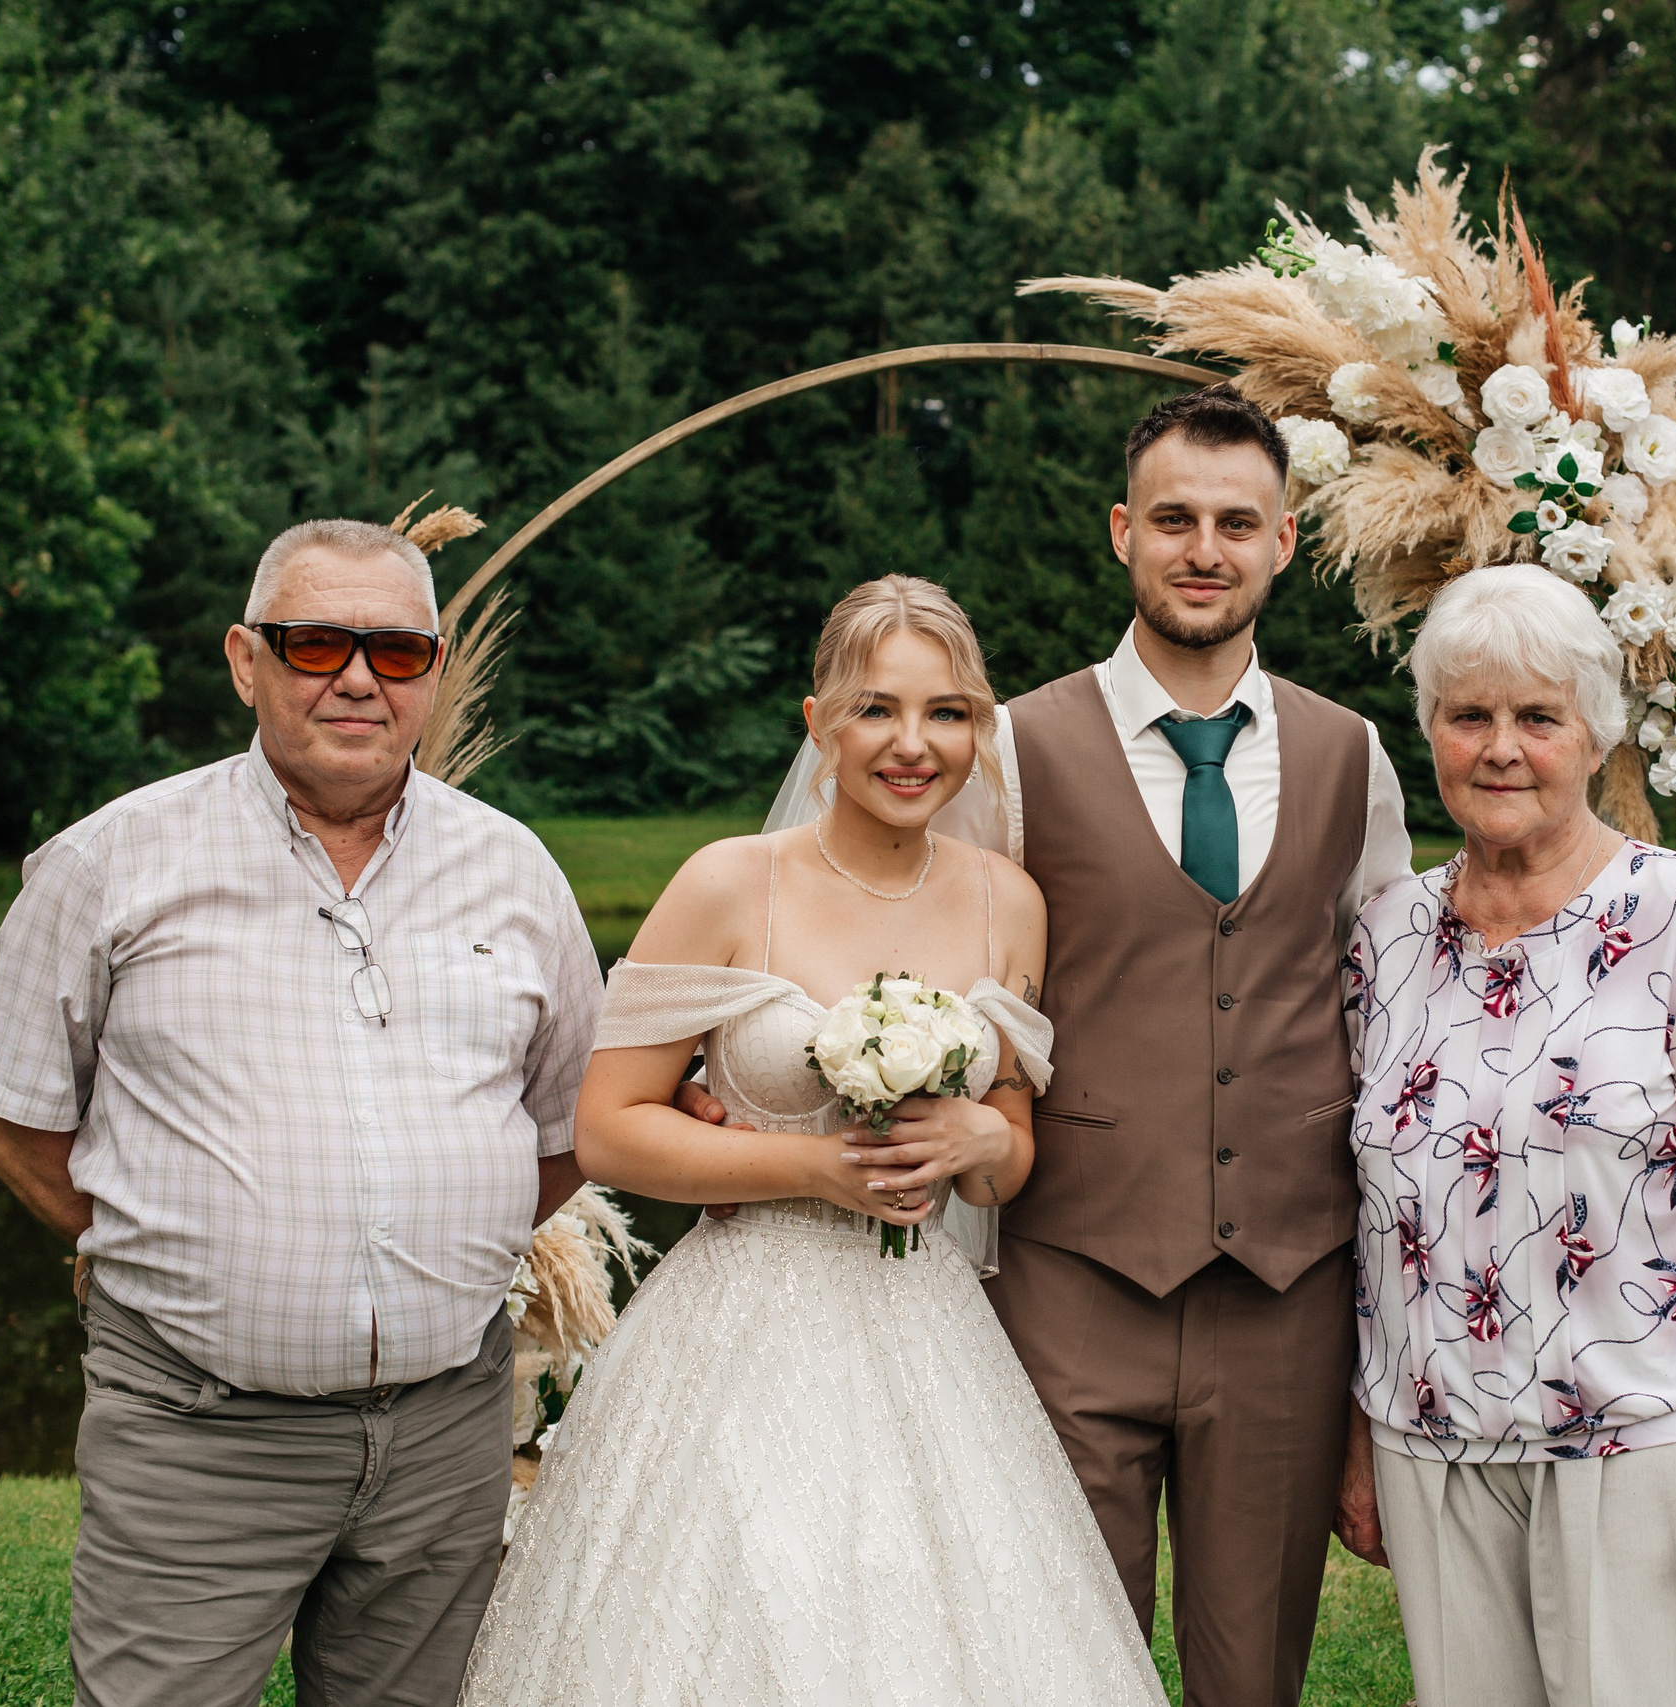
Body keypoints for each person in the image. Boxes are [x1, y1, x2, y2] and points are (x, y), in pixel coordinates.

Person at [457, 576, 1165, 1705]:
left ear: (980, 732)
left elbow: (1014, 1155)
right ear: (818, 723)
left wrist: (977, 1130)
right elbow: (607, 1132)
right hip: (740, 1320)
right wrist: (814, 1167)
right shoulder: (730, 883)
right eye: (876, 709)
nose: (912, 744)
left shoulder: (1008, 902)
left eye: (947, 714)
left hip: (924, 1324)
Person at [0, 518, 604, 1707]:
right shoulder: (113, 862)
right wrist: (170, 1263)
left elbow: (562, 1133)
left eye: (397, 651)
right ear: (245, 660)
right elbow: (9, 1121)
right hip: (198, 1431)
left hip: (443, 1433)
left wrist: (441, 1263)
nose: (357, 677)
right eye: (316, 644)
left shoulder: (517, 872)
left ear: (434, 669)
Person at [952, 384, 1414, 1707]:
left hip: (1285, 1292)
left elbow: (1383, 1008)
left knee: (1251, 1671)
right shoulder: (1016, 751)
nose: (1202, 547)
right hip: (1067, 1278)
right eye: (1172, 519)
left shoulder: (1353, 754)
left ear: (1282, 540)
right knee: (1055, 1662)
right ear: (1121, 533)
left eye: (1234, 521)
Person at [1338, 564, 1676, 1707]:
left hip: (1637, 1437)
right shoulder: (1388, 934)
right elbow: (1368, 1206)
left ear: (1595, 733)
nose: (1500, 748)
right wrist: (1357, 1428)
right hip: (1430, 1439)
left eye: (1536, 718)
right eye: (1469, 717)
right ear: (1430, 733)